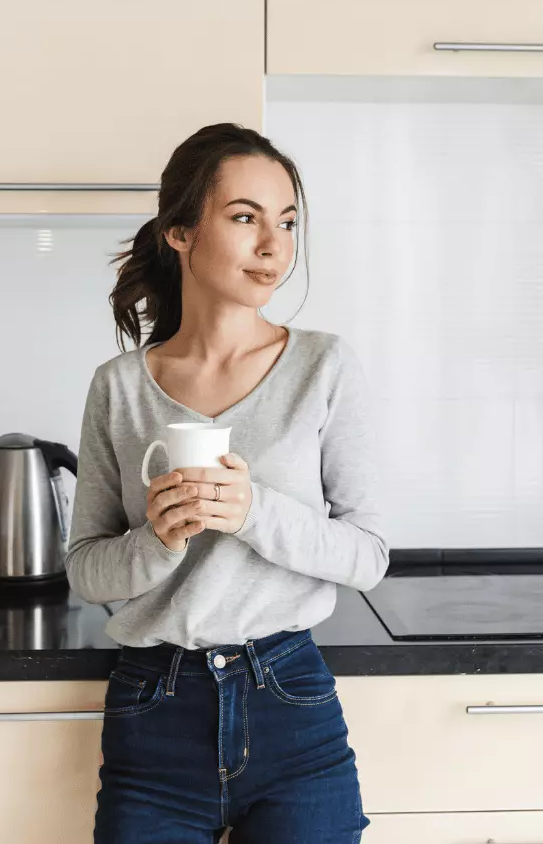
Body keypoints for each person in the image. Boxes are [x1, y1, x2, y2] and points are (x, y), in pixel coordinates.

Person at [65, 121, 389, 843]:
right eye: (245, 218)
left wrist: (253, 512)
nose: (274, 245)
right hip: (153, 715)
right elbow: (88, 566)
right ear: (180, 231)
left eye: (287, 222)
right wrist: (159, 540)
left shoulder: (324, 367)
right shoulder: (119, 387)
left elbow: (368, 555)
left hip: (291, 706)